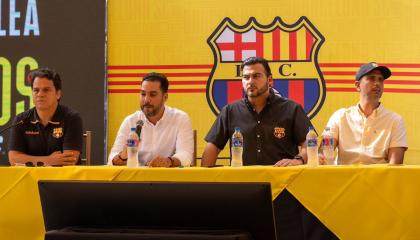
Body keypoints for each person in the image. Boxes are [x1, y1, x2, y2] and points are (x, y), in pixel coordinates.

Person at [202, 57, 313, 167]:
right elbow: (213, 147)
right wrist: (204, 179)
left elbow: (309, 143)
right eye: (246, 77)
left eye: (256, 76)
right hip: (244, 182)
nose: (250, 81)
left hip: (283, 180)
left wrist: (299, 160)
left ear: (269, 80)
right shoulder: (230, 111)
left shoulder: (291, 109)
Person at [321, 62, 408, 165]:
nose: (377, 83)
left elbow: (395, 166)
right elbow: (324, 152)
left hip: (378, 179)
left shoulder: (395, 120)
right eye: (371, 78)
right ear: (358, 86)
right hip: (343, 179)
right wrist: (320, 157)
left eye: (380, 80)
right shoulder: (340, 116)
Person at [108, 72, 193, 167]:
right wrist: (122, 157)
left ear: (165, 97)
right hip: (136, 179)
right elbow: (111, 159)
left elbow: (186, 155)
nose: (146, 99)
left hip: (168, 178)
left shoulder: (180, 118)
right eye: (143, 94)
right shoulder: (130, 121)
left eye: (152, 95)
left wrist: (168, 161)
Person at [8, 68, 83, 166]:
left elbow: (69, 160)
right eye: (36, 90)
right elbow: (14, 159)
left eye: (46, 90)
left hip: (62, 180)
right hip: (29, 179)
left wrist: (31, 161)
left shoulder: (72, 118)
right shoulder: (21, 120)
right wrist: (49, 160)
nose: (40, 94)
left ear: (58, 94)